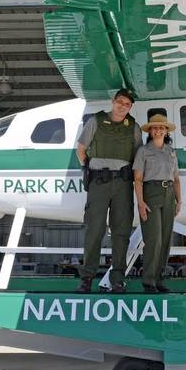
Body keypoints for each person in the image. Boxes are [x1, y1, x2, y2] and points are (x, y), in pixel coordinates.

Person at [75, 88, 140, 293]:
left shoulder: (134, 127)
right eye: (120, 102)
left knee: (121, 232)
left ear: (130, 107)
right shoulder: (95, 121)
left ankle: (117, 279)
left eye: (127, 104)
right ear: (113, 102)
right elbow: (81, 148)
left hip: (122, 184)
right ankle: (86, 279)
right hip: (99, 183)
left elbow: (138, 157)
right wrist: (89, 169)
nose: (123, 106)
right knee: (94, 229)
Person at [133, 114, 181, 293]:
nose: (158, 130)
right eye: (154, 127)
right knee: (154, 240)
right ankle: (149, 281)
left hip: (168, 194)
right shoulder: (143, 151)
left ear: (166, 130)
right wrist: (140, 202)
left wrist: (179, 200)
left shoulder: (170, 151)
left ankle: (160, 279)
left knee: (166, 239)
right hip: (151, 193)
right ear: (150, 131)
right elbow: (137, 179)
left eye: (161, 127)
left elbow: (176, 179)